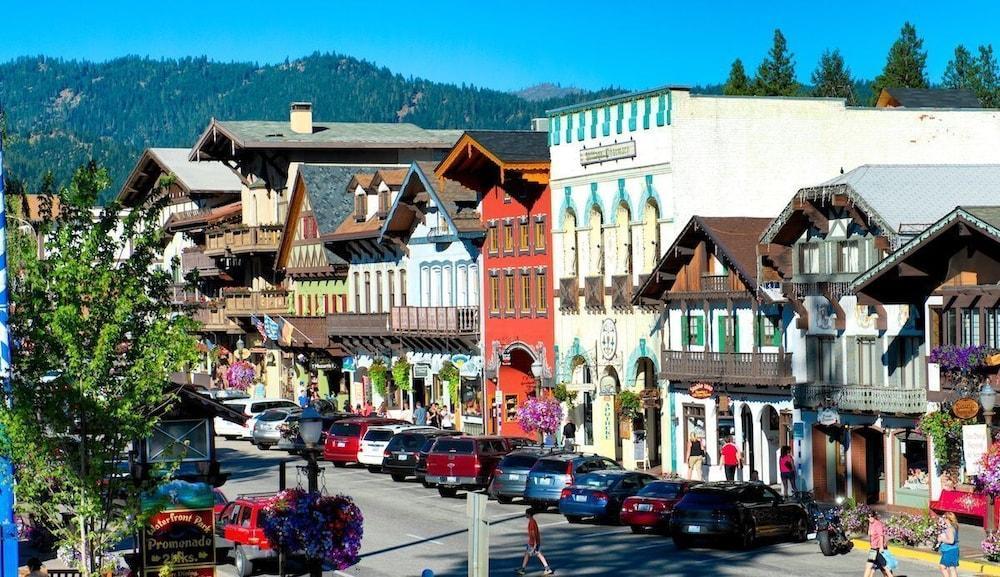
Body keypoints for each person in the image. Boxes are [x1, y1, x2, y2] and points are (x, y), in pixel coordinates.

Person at [516, 508, 554, 576]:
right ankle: (547, 568)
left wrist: (534, 545)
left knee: (530, 554)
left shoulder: (532, 522)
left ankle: (522, 569)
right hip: (533, 542)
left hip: (532, 542)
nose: (525, 514)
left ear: (529, 514)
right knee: (537, 554)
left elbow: (533, 533)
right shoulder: (532, 521)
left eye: (526, 513)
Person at [865, 509, 893, 577]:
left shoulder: (878, 524)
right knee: (873, 567)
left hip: (877, 549)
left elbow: (881, 536)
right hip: (873, 548)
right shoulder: (871, 524)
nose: (870, 518)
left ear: (874, 516)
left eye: (871, 516)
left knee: (883, 566)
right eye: (868, 517)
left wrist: (881, 547)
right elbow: (870, 533)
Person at [938, 511, 960, 577]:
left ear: (948, 519)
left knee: (950, 568)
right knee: (944, 567)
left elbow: (951, 541)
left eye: (944, 517)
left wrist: (942, 539)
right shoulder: (954, 527)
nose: (943, 519)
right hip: (951, 550)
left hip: (950, 550)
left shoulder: (949, 529)